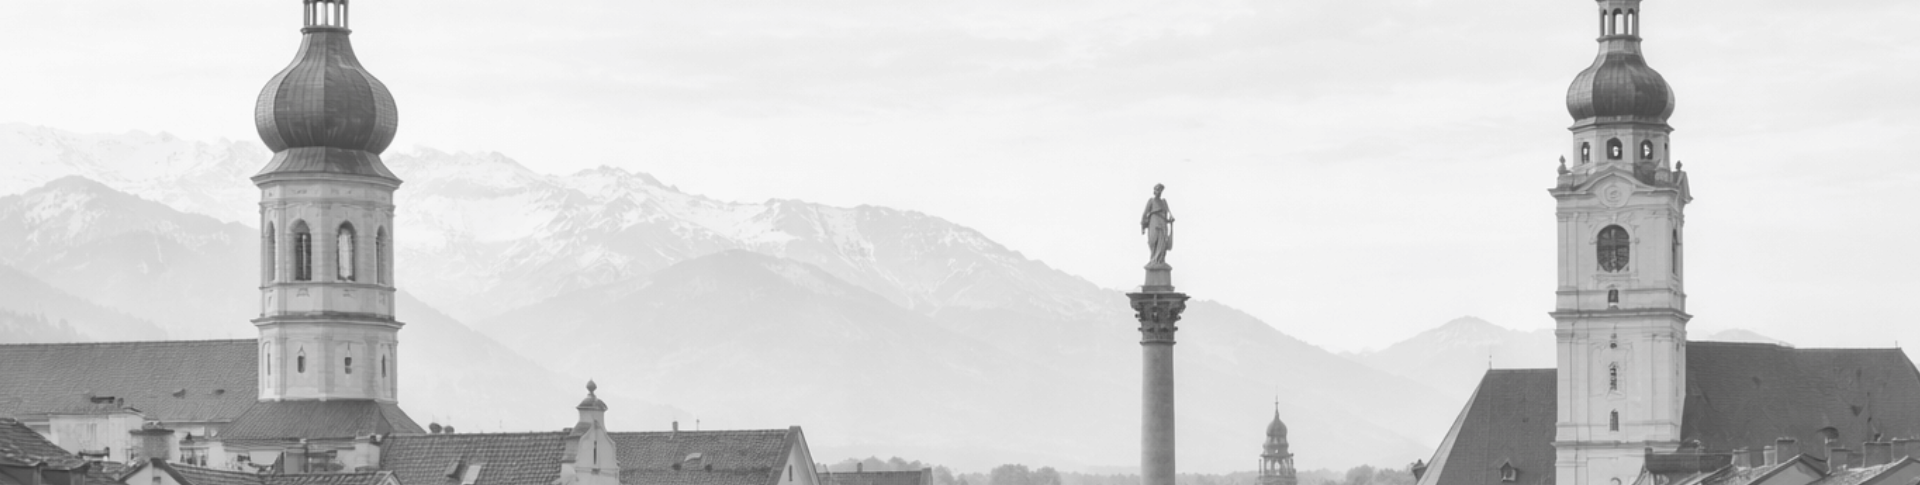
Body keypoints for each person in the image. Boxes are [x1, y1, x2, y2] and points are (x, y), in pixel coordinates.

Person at [1140, 184, 1174, 267]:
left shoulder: (1163, 202)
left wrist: (1170, 220)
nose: (1159, 192)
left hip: (1162, 223)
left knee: (1162, 242)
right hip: (1154, 222)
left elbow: (1166, 215)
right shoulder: (1151, 201)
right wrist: (1143, 225)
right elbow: (1145, 213)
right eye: (1157, 190)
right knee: (1152, 241)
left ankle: (1160, 260)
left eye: (1160, 190)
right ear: (1154, 191)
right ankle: (1153, 260)